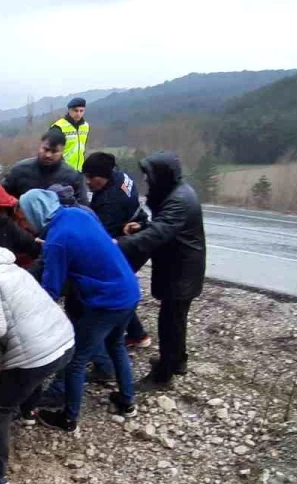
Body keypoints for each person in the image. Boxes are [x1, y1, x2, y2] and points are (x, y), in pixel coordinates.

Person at [0, 237, 75, 484]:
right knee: (34, 377)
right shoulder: (12, 267)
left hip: (36, 352)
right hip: (64, 339)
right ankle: (29, 412)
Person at [21, 188, 140, 432]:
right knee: (115, 344)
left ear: (36, 213)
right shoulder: (78, 214)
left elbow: (51, 290)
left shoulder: (57, 240)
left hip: (106, 302)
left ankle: (68, 418)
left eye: (25, 215)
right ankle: (127, 402)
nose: (25, 221)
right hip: (129, 290)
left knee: (76, 360)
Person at [117, 151, 206, 390]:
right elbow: (161, 225)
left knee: (170, 323)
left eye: (149, 175)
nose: (146, 180)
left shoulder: (180, 200)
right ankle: (177, 361)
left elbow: (161, 232)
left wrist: (118, 244)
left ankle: (163, 376)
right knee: (176, 320)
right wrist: (143, 225)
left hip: (182, 270)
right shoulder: (176, 192)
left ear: (163, 175)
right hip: (179, 266)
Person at [83, 152, 151, 348]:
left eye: (90, 177)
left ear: (103, 176)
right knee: (121, 286)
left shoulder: (110, 201)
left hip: (131, 244)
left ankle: (129, 336)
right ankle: (137, 334)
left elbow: (99, 236)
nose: (87, 182)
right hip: (138, 232)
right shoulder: (120, 176)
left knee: (116, 287)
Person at [1, 129, 89, 205]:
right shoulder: (19, 170)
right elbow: (1, 195)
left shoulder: (73, 176)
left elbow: (82, 206)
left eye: (54, 151)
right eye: (45, 149)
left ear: (62, 151)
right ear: (40, 146)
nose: (48, 155)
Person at [50, 97, 90, 171]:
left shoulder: (85, 126)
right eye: (76, 110)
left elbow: (82, 149)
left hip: (79, 171)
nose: (78, 113)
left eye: (81, 111)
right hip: (61, 171)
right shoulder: (59, 126)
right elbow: (52, 151)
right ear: (69, 110)